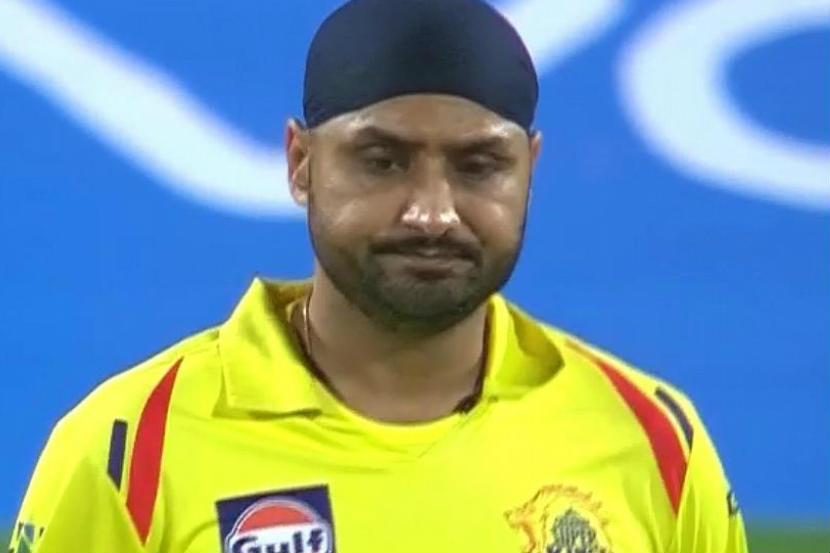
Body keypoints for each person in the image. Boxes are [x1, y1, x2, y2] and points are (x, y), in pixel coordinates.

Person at [9, 0, 748, 552]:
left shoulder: (651, 440)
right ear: (301, 164)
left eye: (478, 165)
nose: (432, 212)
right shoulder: (130, 451)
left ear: (530, 169)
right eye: (382, 161)